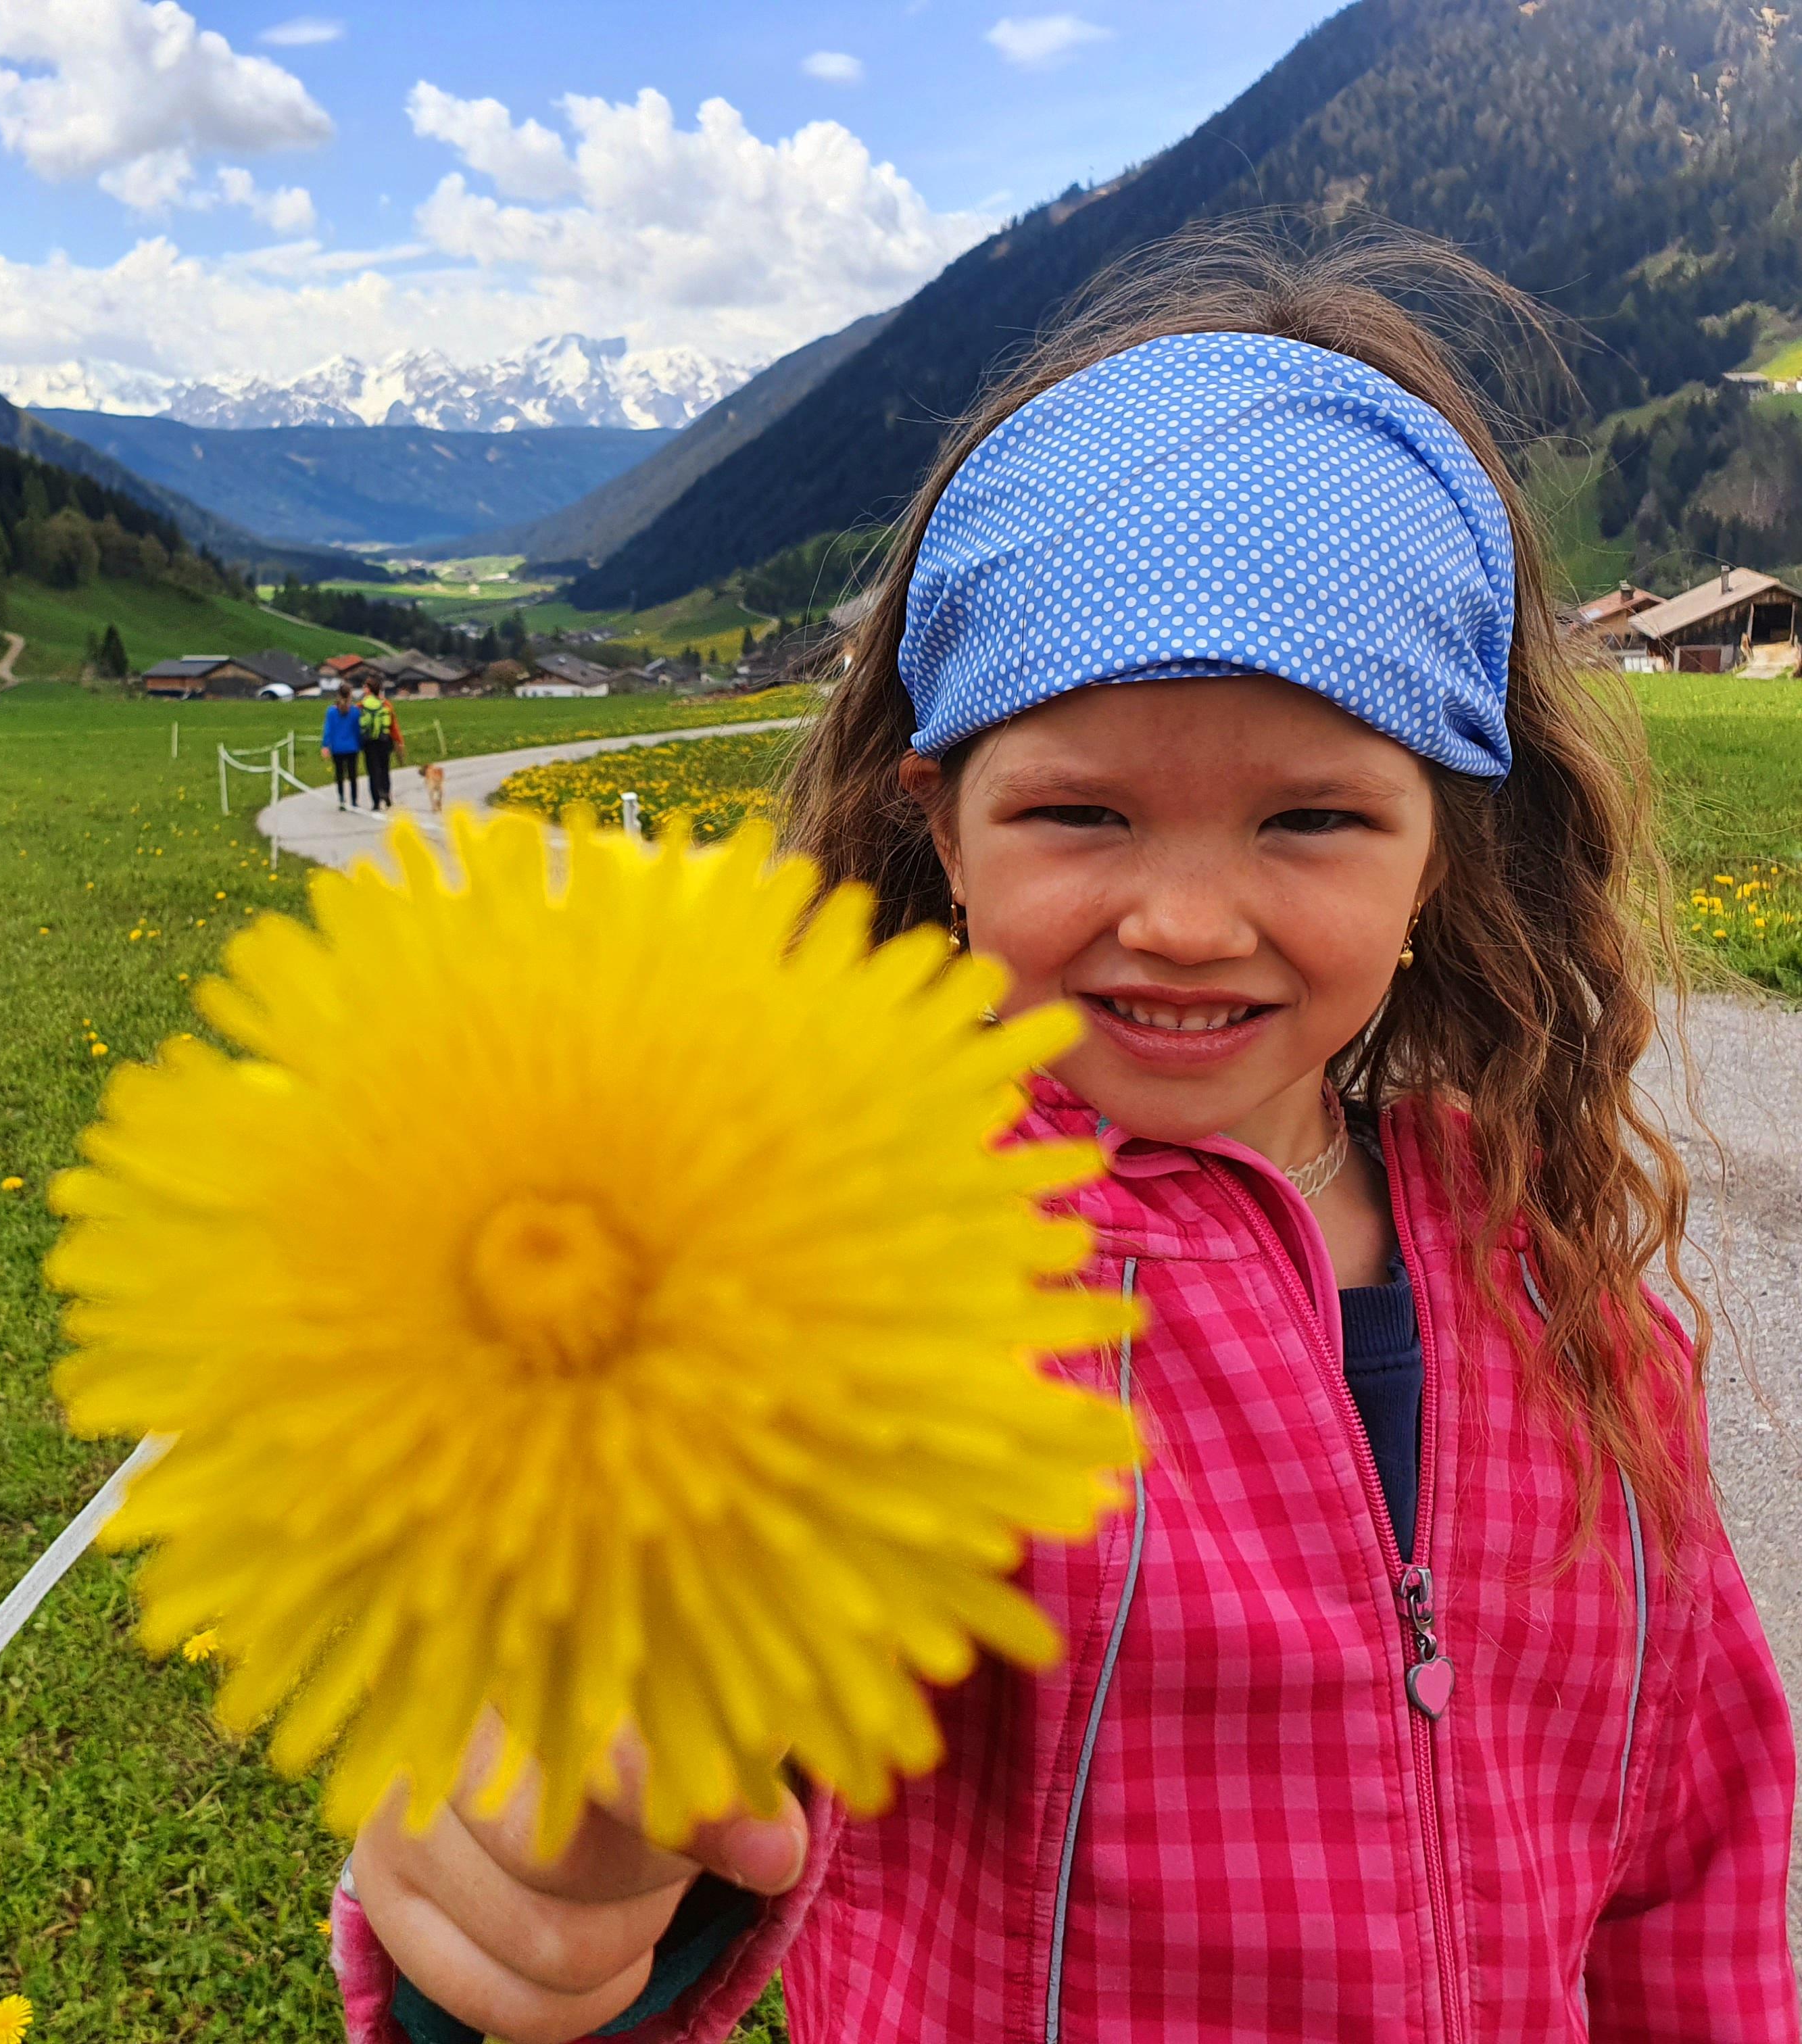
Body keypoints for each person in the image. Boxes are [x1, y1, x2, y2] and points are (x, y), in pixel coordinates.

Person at [332, 234, 1798, 2043]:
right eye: (1083, 810)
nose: (1187, 919)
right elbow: (651, 1760)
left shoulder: (1571, 1304)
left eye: (1314, 819)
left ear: (1447, 843)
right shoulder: (851, 1291)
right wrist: (533, 1899)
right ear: (945, 832)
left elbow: (1696, 1852)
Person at [357, 678, 406, 810]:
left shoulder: (361, 705)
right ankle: (386, 794)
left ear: (368, 690)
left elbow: (356, 724)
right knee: (385, 769)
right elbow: (393, 726)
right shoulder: (386, 705)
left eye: (364, 687)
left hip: (369, 743)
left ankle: (376, 801)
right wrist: (399, 741)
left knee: (372, 772)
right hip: (385, 741)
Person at [321, 682, 364, 810]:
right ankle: (354, 801)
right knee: (353, 775)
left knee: (339, 775)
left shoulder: (331, 711)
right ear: (350, 695)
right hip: (352, 747)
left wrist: (325, 745)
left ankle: (341, 800)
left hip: (337, 748)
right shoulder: (356, 712)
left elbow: (328, 729)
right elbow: (358, 730)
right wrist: (360, 744)